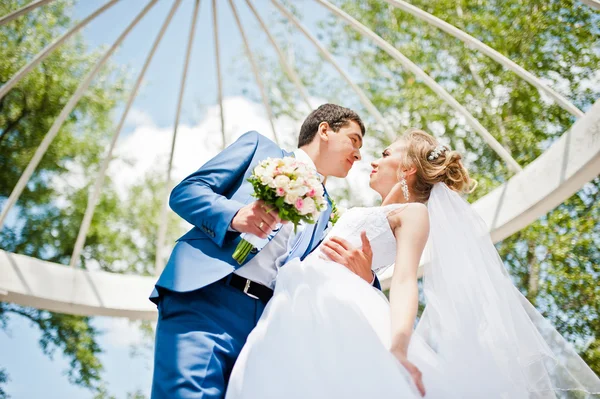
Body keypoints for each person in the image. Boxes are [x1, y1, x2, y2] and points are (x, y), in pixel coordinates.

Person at [225, 129, 600, 399]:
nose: (374, 159)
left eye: (386, 153)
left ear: (407, 170)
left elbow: (405, 281)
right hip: (295, 300)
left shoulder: (414, 213)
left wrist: (400, 346)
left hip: (331, 305)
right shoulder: (365, 210)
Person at [150, 104, 381, 399]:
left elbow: (329, 263)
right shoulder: (259, 148)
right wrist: (235, 216)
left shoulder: (326, 210)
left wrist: (367, 278)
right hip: (208, 298)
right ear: (325, 130)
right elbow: (186, 192)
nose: (359, 154)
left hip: (268, 326)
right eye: (354, 140)